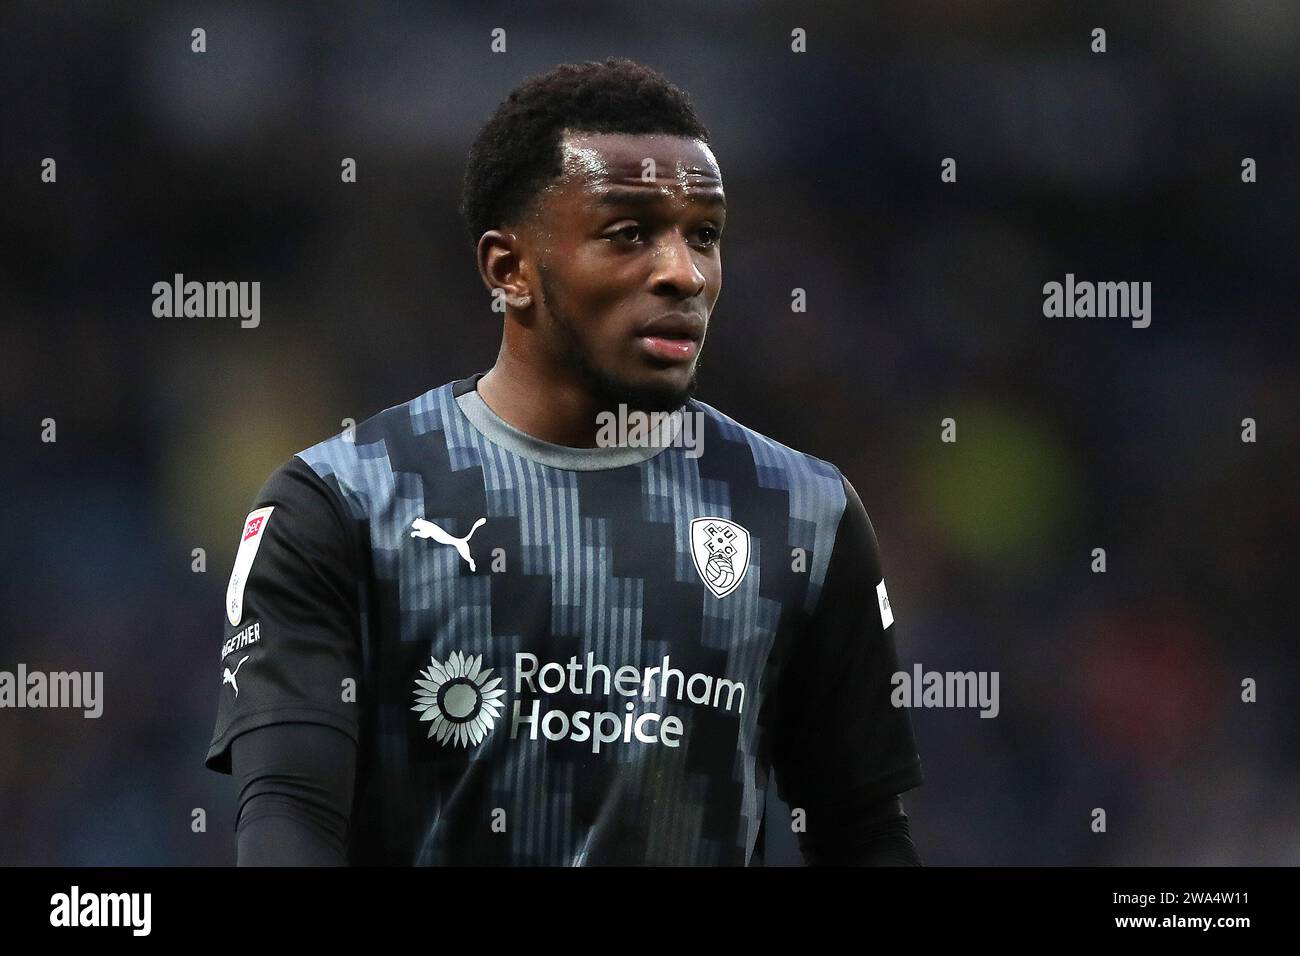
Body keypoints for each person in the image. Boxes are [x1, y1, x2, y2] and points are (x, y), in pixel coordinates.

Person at [205, 57, 923, 866]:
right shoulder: (339, 505)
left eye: (705, 235)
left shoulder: (802, 513)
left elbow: (862, 831)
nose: (683, 273)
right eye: (630, 233)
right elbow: (288, 818)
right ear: (508, 270)